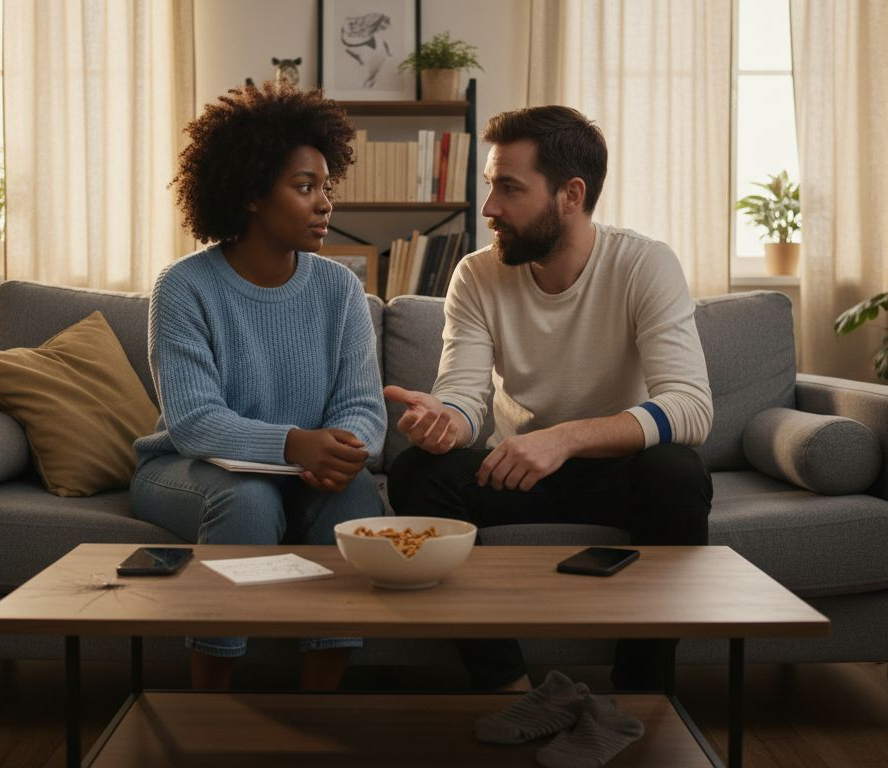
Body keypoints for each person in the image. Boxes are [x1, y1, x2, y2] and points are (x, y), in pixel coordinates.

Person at [384, 105, 714, 693]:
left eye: (509, 188)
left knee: (677, 472)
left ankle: (640, 694)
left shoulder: (643, 263)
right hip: (517, 473)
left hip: (617, 470)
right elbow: (463, 398)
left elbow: (690, 405)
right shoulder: (476, 275)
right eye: (490, 185)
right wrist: (445, 422)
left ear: (571, 195)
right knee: (416, 473)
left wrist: (565, 438)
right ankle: (509, 688)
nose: (489, 208)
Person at [131, 81, 387, 691]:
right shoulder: (184, 287)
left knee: (355, 496)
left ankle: (318, 702)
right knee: (248, 500)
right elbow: (194, 421)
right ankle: (211, 705)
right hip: (187, 468)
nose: (325, 204)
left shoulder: (340, 289)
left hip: (307, 470)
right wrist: (295, 444)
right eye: (305, 187)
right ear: (250, 193)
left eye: (326, 187)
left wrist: (343, 450)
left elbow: (362, 404)